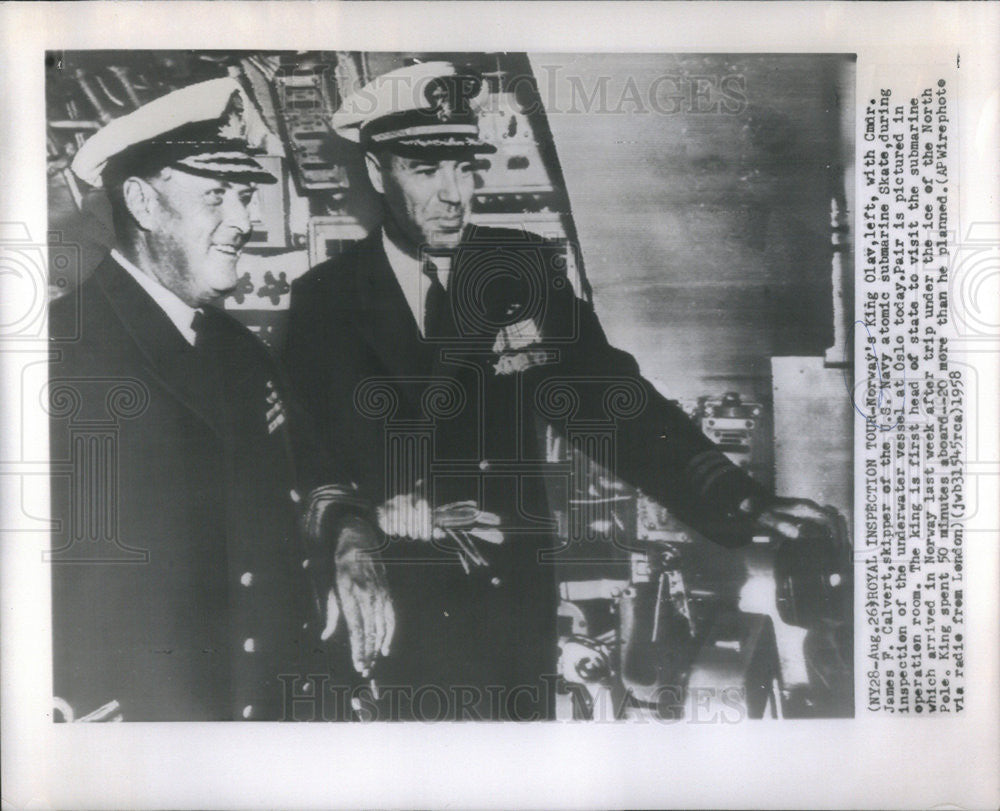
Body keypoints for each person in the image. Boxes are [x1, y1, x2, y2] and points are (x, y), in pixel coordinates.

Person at [283, 62, 840, 720]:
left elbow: (613, 399)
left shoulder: (518, 268)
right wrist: (353, 530)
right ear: (378, 173)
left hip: (516, 609)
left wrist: (731, 494)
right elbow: (312, 456)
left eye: (465, 168)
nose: (453, 194)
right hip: (403, 613)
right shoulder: (325, 301)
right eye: (425, 169)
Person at [48, 77, 393, 722]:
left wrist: (351, 539)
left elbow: (311, 466)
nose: (245, 220)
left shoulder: (239, 348)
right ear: (144, 205)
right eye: (218, 196)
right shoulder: (55, 353)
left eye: (245, 195)